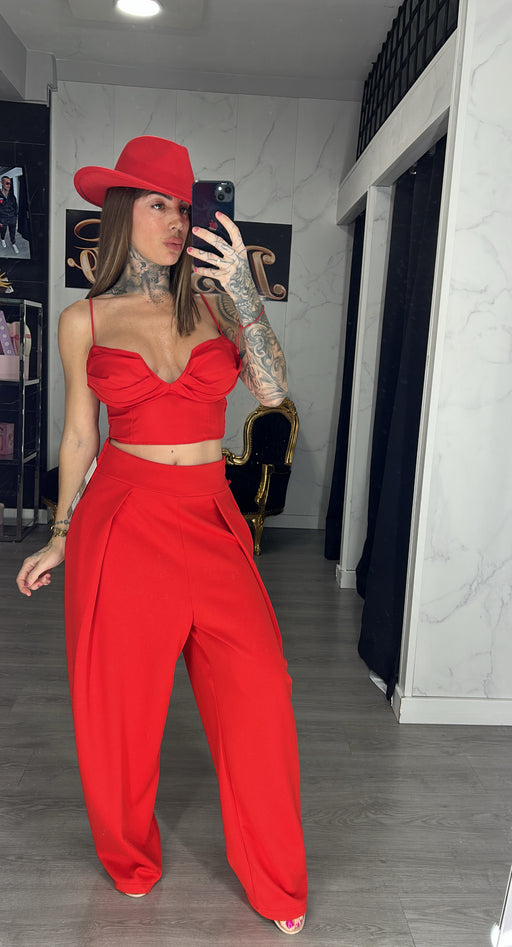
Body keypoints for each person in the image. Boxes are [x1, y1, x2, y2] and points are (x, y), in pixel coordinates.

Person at [16, 136, 307, 935]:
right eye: (158, 204)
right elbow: (80, 433)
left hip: (209, 513)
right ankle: (129, 855)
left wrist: (243, 290)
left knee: (261, 692)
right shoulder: (83, 319)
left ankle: (276, 878)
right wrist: (60, 533)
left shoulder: (214, 305)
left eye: (183, 206)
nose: (176, 221)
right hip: (124, 517)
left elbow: (273, 390)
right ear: (122, 212)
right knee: (120, 706)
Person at [0, 175, 19, 253]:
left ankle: (13, 243)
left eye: (10, 183)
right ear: (2, 183)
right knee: (2, 230)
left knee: (12, 231)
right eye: (7, 183)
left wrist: (15, 216)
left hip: (12, 218)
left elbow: (15, 207)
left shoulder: (12, 196)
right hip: (2, 218)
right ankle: (2, 239)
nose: (9, 185)